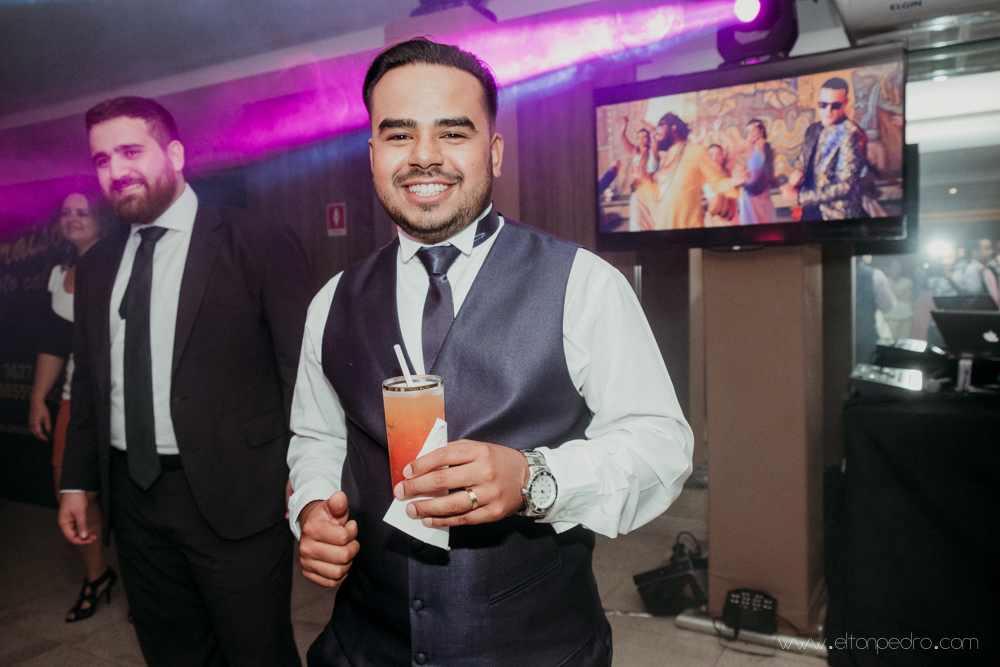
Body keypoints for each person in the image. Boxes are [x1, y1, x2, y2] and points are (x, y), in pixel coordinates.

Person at [288, 39, 693, 667]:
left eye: (452, 133)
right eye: (399, 135)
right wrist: (313, 506)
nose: (424, 156)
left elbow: (661, 446)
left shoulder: (583, 284)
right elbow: (318, 438)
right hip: (363, 643)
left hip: (537, 647)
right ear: (372, 156)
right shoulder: (330, 302)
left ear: (494, 153)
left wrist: (533, 479)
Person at [57, 96, 311, 667]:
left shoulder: (257, 239)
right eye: (102, 159)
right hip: (133, 497)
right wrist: (76, 483)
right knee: (172, 653)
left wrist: (308, 473)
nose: (116, 170)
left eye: (130, 151)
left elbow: (301, 368)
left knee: (257, 653)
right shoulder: (96, 266)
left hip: (237, 493)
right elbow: (91, 385)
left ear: (174, 153)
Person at [28, 192, 117, 622]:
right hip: (74, 398)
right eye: (66, 213)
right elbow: (54, 342)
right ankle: (97, 577)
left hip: (120, 397)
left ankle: (150, 585)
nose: (73, 218)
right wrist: (37, 398)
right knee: (72, 490)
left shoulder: (123, 263)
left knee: (132, 495)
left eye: (83, 212)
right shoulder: (60, 274)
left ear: (102, 219)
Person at [630, 112, 746, 231]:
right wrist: (642, 179)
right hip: (664, 230)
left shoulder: (696, 152)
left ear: (673, 127)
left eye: (661, 126)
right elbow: (658, 195)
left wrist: (734, 181)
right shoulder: (667, 158)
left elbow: (716, 183)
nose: (657, 131)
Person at [783, 78, 866, 221]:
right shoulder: (813, 130)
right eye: (823, 104)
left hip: (836, 215)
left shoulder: (851, 133)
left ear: (846, 103)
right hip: (810, 211)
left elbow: (845, 186)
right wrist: (797, 175)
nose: (828, 111)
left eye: (836, 105)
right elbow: (802, 162)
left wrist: (800, 197)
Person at [737, 119, 777, 226]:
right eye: (748, 131)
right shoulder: (767, 148)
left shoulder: (757, 149)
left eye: (753, 130)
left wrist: (743, 179)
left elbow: (754, 178)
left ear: (761, 131)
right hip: (763, 193)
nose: (750, 134)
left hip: (753, 194)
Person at [951, 238, 999, 304]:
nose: (991, 252)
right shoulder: (972, 269)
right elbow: (975, 295)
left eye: (991, 248)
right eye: (987, 249)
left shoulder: (988, 268)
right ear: (975, 251)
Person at [619, 116, 658, 192]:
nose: (641, 139)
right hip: (637, 186)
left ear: (648, 139)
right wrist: (624, 124)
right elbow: (623, 137)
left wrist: (652, 130)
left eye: (644, 137)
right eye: (639, 137)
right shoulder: (635, 151)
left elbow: (656, 140)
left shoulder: (651, 151)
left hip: (647, 187)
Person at [703, 144, 738, 227]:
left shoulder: (726, 171)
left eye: (718, 155)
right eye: (711, 155)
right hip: (710, 219)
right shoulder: (704, 174)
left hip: (726, 220)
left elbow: (733, 146)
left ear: (723, 156)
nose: (715, 158)